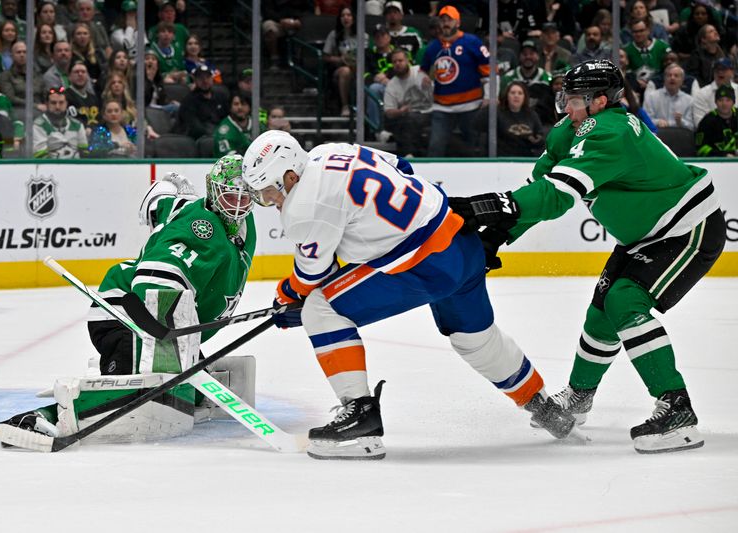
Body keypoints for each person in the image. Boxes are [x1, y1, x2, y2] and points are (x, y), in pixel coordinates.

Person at [240, 130, 577, 460]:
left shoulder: (303, 204)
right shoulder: (329, 152)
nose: (269, 201)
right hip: (461, 237)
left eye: (269, 191)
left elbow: (313, 274)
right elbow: (403, 167)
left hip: (424, 265)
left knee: (319, 308)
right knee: (475, 339)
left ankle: (361, 416)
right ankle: (544, 406)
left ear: (288, 175)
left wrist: (286, 296)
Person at [448, 59, 726, 454]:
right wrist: (498, 233)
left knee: (625, 300)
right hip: (646, 235)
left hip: (686, 229)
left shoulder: (610, 132)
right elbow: (540, 190)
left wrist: (482, 207)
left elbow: (557, 196)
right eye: (564, 97)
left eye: (574, 99)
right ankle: (580, 397)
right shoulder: (571, 129)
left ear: (600, 101)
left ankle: (677, 408)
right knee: (602, 311)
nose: (565, 106)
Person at [0, 156, 258, 448]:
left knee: (189, 391)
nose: (238, 203)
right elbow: (152, 284)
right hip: (127, 317)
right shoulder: (202, 225)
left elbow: (162, 206)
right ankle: (43, 418)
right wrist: (166, 340)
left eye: (245, 196)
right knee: (145, 393)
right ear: (212, 191)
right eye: (230, 194)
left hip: (160, 322)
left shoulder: (238, 225)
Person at [420, 5, 490, 157]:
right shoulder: (433, 47)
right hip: (442, 107)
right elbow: (423, 71)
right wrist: (424, 80)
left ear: (458, 22)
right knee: (435, 147)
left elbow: (489, 72)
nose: (445, 23)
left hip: (470, 105)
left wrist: (489, 96)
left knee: (473, 148)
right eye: (442, 20)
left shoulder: (472, 42)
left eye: (449, 20)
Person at [383, 48, 432, 157]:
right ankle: (409, 155)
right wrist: (400, 111)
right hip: (408, 116)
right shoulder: (392, 84)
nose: (397, 64)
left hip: (431, 111)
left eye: (400, 61)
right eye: (394, 62)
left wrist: (431, 81)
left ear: (408, 61)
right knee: (405, 121)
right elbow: (388, 111)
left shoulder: (421, 71)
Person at [323, 6, 366, 117]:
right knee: (345, 71)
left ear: (354, 18)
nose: (345, 18)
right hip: (340, 68)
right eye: (343, 15)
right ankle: (345, 106)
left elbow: (367, 55)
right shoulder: (334, 35)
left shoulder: (363, 35)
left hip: (359, 69)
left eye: (349, 15)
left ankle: (361, 107)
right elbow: (325, 57)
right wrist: (340, 59)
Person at [176, 64, 228, 143]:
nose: (205, 81)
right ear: (195, 80)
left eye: (207, 77)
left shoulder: (220, 97)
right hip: (200, 140)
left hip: (222, 135)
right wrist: (214, 135)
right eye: (201, 78)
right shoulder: (189, 100)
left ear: (212, 79)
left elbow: (227, 118)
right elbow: (194, 126)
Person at [33, 86, 87, 158]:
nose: (57, 107)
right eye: (53, 103)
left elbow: (84, 153)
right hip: (50, 167)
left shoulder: (77, 125)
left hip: (76, 167)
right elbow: (40, 155)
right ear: (46, 104)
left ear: (66, 104)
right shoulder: (39, 125)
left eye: (61, 103)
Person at [496, 80, 544, 157]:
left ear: (524, 97)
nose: (516, 96)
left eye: (520, 93)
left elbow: (540, 136)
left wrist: (537, 140)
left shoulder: (532, 114)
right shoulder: (498, 113)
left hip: (526, 158)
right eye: (513, 93)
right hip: (503, 158)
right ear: (507, 95)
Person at [643, 63, 694, 130]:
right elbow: (644, 120)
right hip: (656, 135)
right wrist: (657, 122)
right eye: (669, 75)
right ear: (664, 79)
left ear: (682, 81)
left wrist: (681, 122)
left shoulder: (689, 100)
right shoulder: (652, 97)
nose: (672, 78)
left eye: (676, 76)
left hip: (679, 136)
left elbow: (692, 126)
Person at [692, 58, 738, 126]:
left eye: (723, 69)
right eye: (717, 69)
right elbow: (699, 123)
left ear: (732, 72)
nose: (720, 72)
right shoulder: (701, 94)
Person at [695, 84, 737, 156]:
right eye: (720, 100)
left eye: (728, 100)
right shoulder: (707, 121)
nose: (724, 104)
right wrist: (723, 155)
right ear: (716, 102)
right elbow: (700, 149)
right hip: (716, 162)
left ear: (733, 102)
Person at [213, 92, 256, 158]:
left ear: (249, 107)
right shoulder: (224, 129)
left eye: (243, 104)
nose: (240, 107)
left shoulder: (257, 124)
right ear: (230, 107)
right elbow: (228, 156)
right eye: (236, 104)